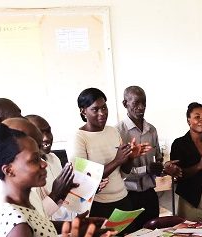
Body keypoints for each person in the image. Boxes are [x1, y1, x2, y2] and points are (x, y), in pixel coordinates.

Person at [69, 87, 150, 220]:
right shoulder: (79, 137)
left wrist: (129, 158)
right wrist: (117, 160)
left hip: (123, 199)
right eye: (95, 109)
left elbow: (123, 173)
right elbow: (83, 181)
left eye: (104, 107)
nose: (102, 113)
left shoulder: (112, 131)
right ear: (83, 111)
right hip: (98, 205)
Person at [115, 86, 181, 227]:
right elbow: (121, 172)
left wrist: (165, 168)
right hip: (128, 195)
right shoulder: (118, 132)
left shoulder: (152, 130)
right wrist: (147, 169)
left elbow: (156, 161)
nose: (141, 107)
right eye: (136, 103)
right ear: (125, 104)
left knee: (153, 236)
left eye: (144, 103)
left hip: (149, 194)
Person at [26, 113, 79, 221]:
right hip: (49, 230)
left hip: (68, 221)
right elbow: (35, 217)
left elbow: (64, 196)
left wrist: (88, 188)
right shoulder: (26, 170)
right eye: (40, 133)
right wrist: (55, 194)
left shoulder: (53, 158)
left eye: (48, 131)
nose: (47, 138)